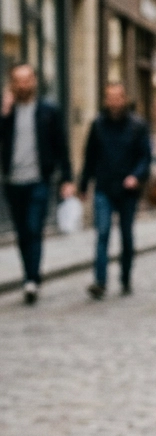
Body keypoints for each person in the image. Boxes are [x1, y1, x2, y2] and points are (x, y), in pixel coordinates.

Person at [0, 63, 75, 304]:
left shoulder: (48, 110)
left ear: (34, 82)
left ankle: (32, 280)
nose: (23, 85)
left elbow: (61, 146)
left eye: (27, 80)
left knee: (34, 229)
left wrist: (67, 178)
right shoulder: (6, 112)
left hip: (39, 180)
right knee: (22, 232)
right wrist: (4, 113)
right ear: (12, 84)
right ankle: (28, 276)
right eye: (18, 81)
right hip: (12, 181)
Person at [79, 82, 151, 299]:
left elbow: (145, 157)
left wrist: (136, 176)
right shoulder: (98, 125)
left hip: (128, 190)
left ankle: (125, 277)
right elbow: (89, 156)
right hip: (104, 187)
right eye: (110, 97)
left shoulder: (137, 125)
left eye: (118, 97)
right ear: (105, 100)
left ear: (124, 98)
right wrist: (83, 184)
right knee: (102, 234)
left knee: (127, 236)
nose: (114, 101)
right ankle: (100, 281)